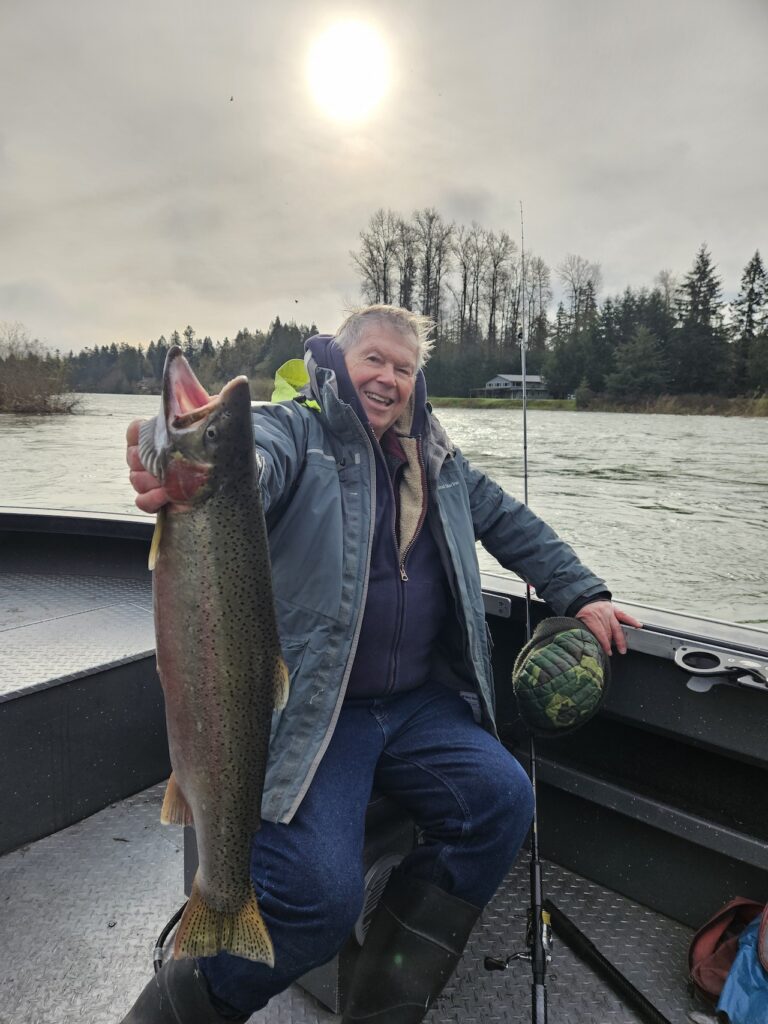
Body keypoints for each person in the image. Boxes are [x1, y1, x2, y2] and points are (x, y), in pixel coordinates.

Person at [121, 304, 642, 1023]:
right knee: (315, 895)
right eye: (374, 359)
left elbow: (512, 523)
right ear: (339, 361)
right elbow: (252, 458)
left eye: (403, 367)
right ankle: (180, 1006)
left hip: (419, 705)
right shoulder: (300, 432)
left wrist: (584, 593)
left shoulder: (438, 459)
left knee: (500, 801)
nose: (388, 377)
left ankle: (384, 995)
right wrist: (165, 454)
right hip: (322, 711)